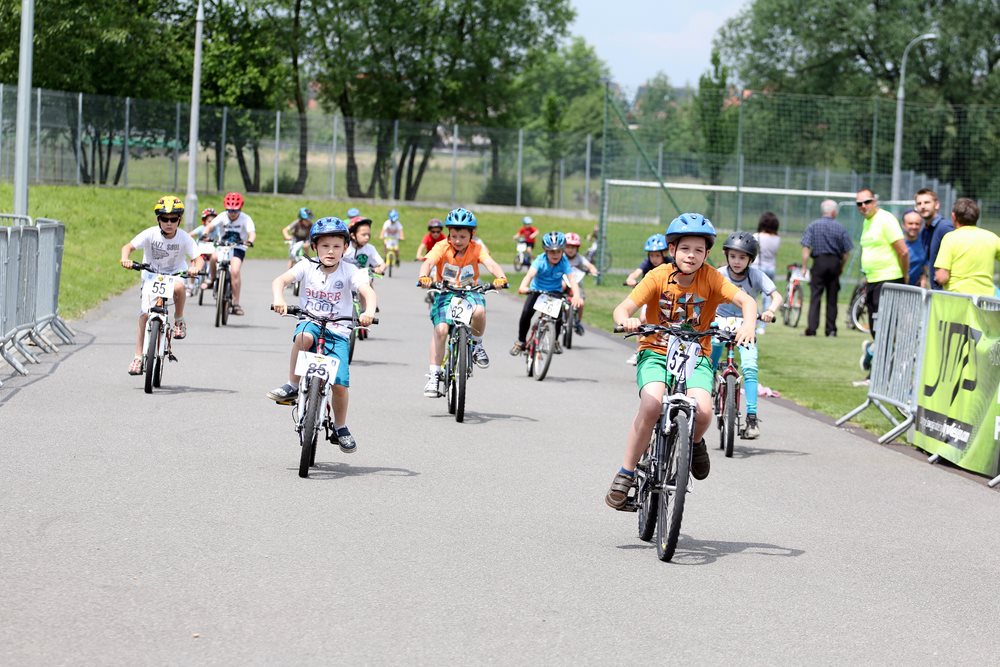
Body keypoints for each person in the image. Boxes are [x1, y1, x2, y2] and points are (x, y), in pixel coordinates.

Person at [605, 214, 757, 511]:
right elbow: (623, 307)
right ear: (672, 250)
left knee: (703, 412)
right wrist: (627, 321)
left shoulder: (712, 277)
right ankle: (626, 472)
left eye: (699, 250)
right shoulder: (657, 276)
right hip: (655, 351)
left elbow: (747, 302)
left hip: (695, 355)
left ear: (707, 254)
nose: (692, 255)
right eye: (685, 248)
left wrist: (748, 325)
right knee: (651, 405)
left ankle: (695, 442)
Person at [267, 217, 376, 453]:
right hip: (311, 321)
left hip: (338, 330)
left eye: (337, 246)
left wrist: (368, 311)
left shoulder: (350, 271)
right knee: (303, 337)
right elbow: (281, 280)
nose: (331, 251)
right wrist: (279, 298)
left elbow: (366, 290)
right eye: (325, 246)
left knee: (339, 384)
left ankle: (340, 426)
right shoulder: (306, 265)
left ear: (345, 247)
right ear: (315, 246)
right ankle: (292, 384)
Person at [417, 208, 508, 397]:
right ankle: (434, 375)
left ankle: (476, 344)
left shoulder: (477, 248)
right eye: (454, 235)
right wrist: (424, 276)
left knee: (479, 312)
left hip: (470, 291)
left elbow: (490, 263)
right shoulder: (442, 247)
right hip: (446, 292)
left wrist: (500, 277)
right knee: (441, 330)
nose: (458, 241)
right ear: (449, 234)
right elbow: (428, 262)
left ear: (472, 235)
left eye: (463, 236)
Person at [711, 232, 782, 439]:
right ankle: (708, 387)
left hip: (747, 324)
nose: (737, 261)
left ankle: (751, 418)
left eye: (742, 257)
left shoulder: (757, 275)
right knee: (712, 350)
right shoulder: (718, 274)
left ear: (750, 259)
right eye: (733, 256)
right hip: (720, 321)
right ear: (726, 256)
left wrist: (770, 311)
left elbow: (776, 296)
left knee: (750, 367)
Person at [119, 195, 199, 375]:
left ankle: (179, 319)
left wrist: (195, 268)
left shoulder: (184, 238)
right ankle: (138, 357)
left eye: (173, 219)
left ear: (179, 220)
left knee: (179, 288)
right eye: (164, 219)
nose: (169, 223)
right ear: (158, 220)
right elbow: (128, 247)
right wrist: (125, 259)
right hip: (151, 275)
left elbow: (197, 258)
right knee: (145, 315)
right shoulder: (150, 234)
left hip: (175, 274)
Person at [856, 188, 908, 375]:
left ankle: (878, 373)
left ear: (875, 201)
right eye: (859, 204)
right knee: (876, 328)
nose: (863, 206)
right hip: (873, 280)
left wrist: (904, 278)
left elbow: (903, 251)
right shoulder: (867, 222)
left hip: (889, 280)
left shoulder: (886, 220)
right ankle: (873, 358)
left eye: (867, 202)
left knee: (885, 329)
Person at [510, 231, 583, 356]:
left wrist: (576, 295)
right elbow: (530, 275)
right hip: (536, 290)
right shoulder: (540, 260)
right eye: (551, 251)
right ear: (545, 251)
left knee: (558, 317)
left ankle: (554, 341)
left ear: (563, 251)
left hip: (555, 291)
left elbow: (572, 280)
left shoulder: (564, 262)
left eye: (559, 251)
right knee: (526, 314)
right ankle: (521, 341)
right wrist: (523, 286)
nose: (555, 255)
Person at [800, 199, 853, 336]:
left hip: (819, 262)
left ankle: (812, 329)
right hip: (835, 262)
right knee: (832, 298)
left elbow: (806, 246)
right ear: (834, 212)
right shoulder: (840, 227)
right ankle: (831, 330)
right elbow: (846, 252)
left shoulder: (813, 226)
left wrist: (804, 266)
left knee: (815, 296)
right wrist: (841, 266)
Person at [201, 192, 256, 316]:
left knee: (235, 271)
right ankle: (212, 278)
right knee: (213, 258)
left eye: (235, 211)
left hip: (238, 247)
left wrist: (250, 241)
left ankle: (236, 304)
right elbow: (210, 226)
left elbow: (252, 233)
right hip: (222, 245)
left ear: (240, 209)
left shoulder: (246, 218)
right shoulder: (222, 216)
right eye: (230, 210)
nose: (232, 213)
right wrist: (205, 234)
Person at [934, 198, 1000, 296]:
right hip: (985, 301)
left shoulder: (950, 238)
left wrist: (937, 276)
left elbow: (942, 277)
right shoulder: (992, 237)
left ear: (953, 216)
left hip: (958, 299)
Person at [915, 188, 953, 289]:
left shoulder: (944, 227)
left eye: (927, 202)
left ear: (936, 205)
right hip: (936, 291)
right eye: (919, 203)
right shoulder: (924, 232)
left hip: (949, 291)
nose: (922, 206)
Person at [563, 232, 598, 335]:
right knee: (561, 286)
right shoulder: (562, 258)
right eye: (568, 247)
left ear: (577, 248)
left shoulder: (579, 258)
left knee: (581, 302)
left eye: (573, 247)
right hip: (564, 281)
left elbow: (589, 265)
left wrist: (593, 270)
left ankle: (578, 321)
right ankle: (557, 313)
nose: (570, 249)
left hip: (577, 284)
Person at [753, 212, 781, 332]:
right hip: (771, 268)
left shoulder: (757, 236)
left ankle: (753, 320)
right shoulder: (777, 239)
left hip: (757, 267)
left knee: (752, 297)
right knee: (767, 297)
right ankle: (763, 326)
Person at [188, 207, 220, 293]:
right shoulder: (201, 228)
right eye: (209, 221)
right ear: (204, 221)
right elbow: (190, 234)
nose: (211, 224)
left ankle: (211, 278)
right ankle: (191, 285)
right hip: (201, 251)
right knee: (194, 264)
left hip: (211, 251)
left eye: (213, 221)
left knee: (215, 262)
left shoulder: (217, 230)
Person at [901, 210, 927, 286]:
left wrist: (924, 277)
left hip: (915, 288)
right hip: (897, 286)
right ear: (903, 225)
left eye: (917, 224)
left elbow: (925, 266)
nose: (914, 227)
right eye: (910, 224)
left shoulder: (924, 242)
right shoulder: (898, 243)